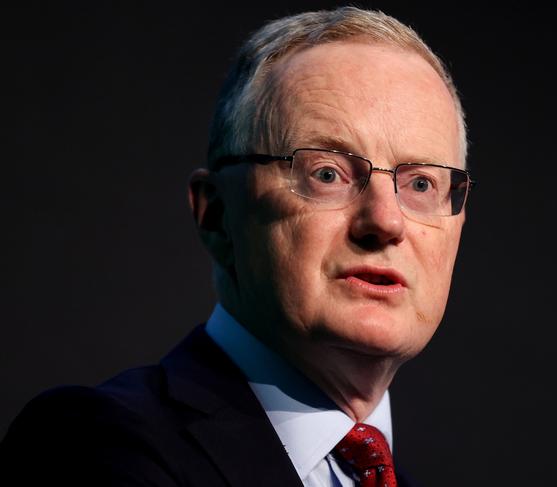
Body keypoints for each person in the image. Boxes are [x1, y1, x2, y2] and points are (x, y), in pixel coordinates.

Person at [0, 6, 474, 486]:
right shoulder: (95, 448)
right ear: (218, 215)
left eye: (420, 185)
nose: (386, 220)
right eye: (327, 174)